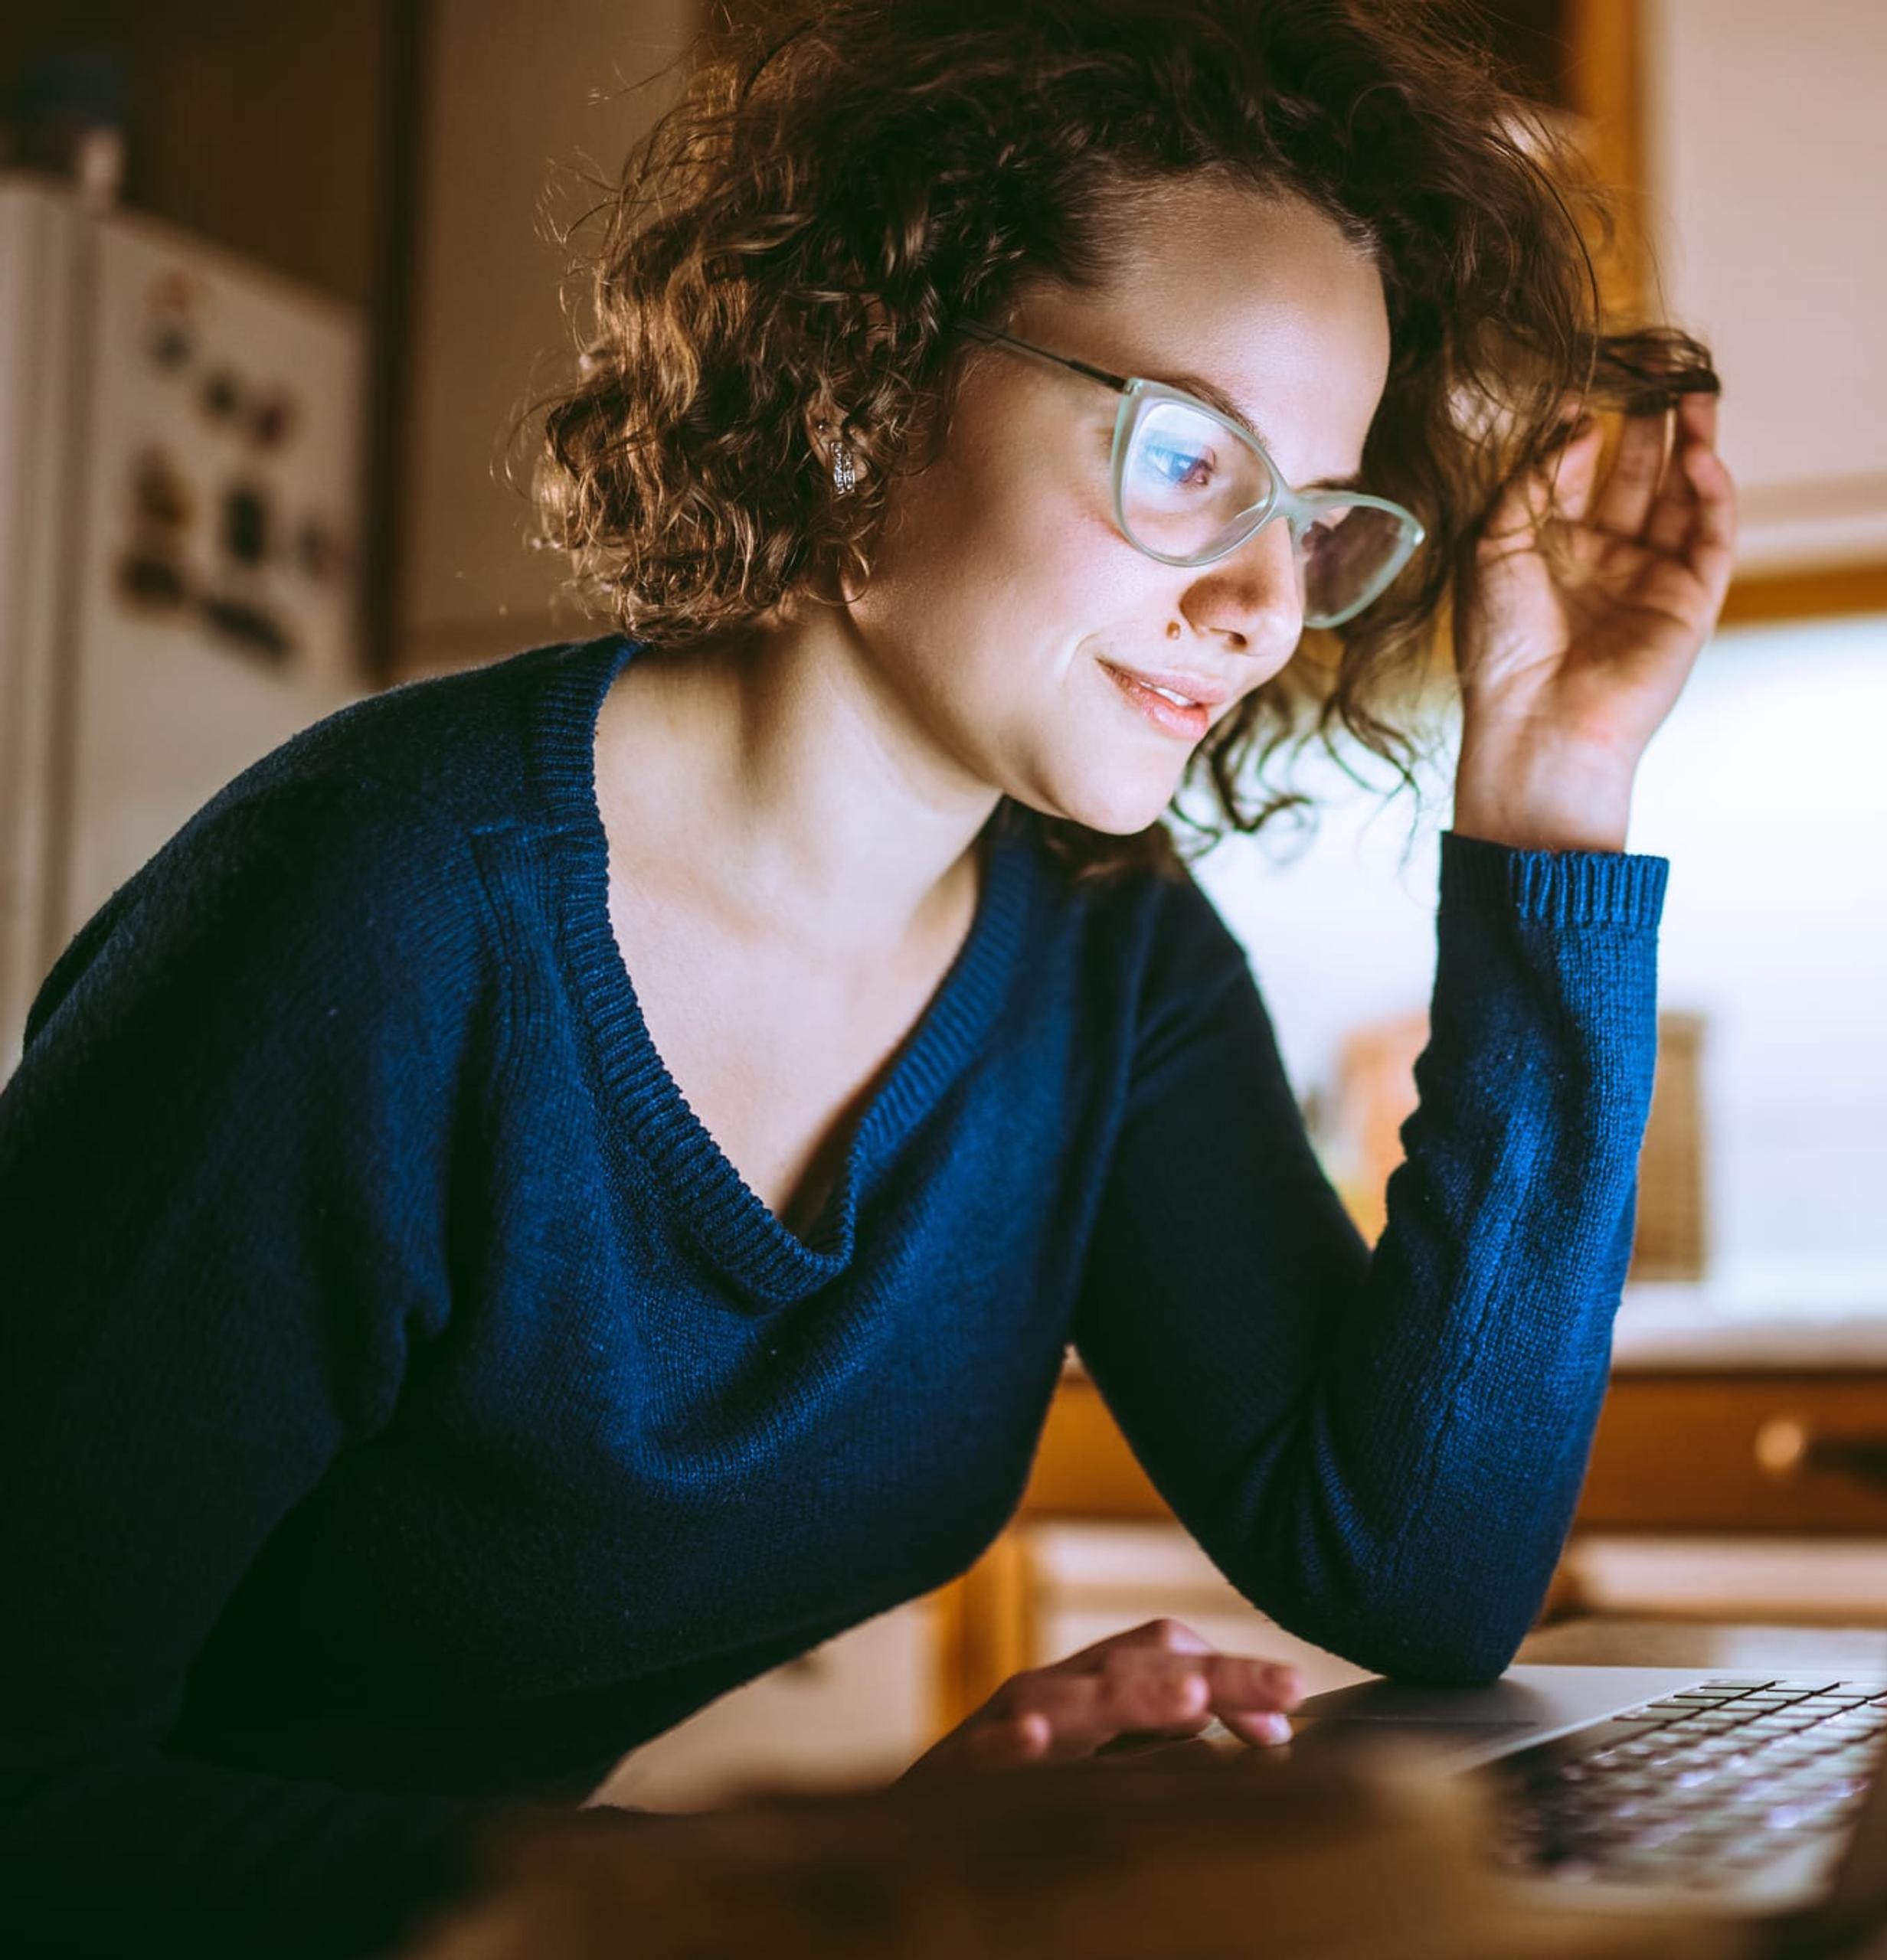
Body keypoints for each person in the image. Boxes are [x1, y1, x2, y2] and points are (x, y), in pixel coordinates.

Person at [0, 0, 1732, 1951]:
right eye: (1189, 459)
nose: (1261, 604)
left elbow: (1419, 1571)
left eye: (1316, 520)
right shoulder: (376, 925)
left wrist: (1555, 795)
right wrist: (816, 1890)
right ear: (864, 391)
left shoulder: (1102, 951)